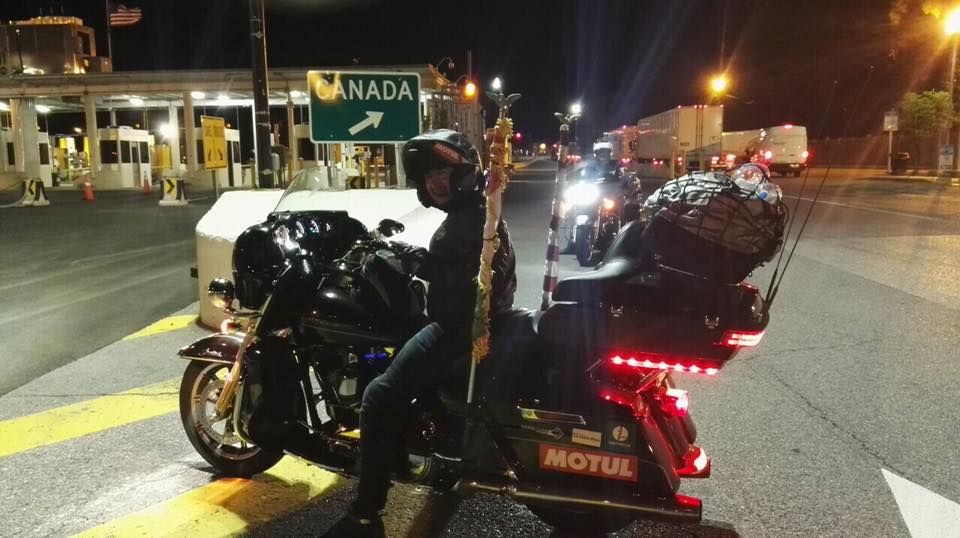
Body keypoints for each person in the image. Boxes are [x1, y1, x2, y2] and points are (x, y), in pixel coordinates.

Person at [328, 129, 517, 537]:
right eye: (429, 175)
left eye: (442, 172)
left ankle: (366, 513)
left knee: (378, 396)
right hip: (469, 322)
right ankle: (413, 447)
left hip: (457, 328)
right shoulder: (474, 212)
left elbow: (474, 283)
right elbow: (465, 268)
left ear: (462, 173)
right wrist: (420, 259)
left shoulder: (475, 219)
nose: (435, 182)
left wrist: (422, 265)